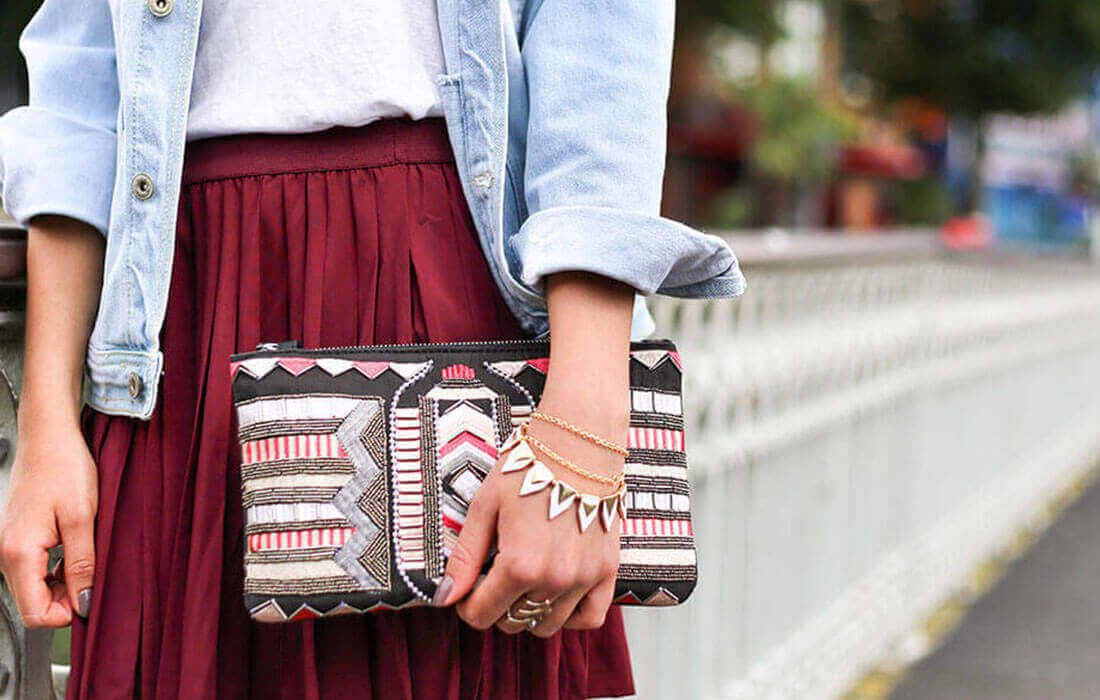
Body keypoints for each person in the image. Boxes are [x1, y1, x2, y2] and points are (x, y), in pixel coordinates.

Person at [0, 1, 745, 697]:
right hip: (174, 329)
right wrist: (45, 424)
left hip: (439, 297)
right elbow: (80, 90)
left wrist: (582, 433)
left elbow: (599, 39)